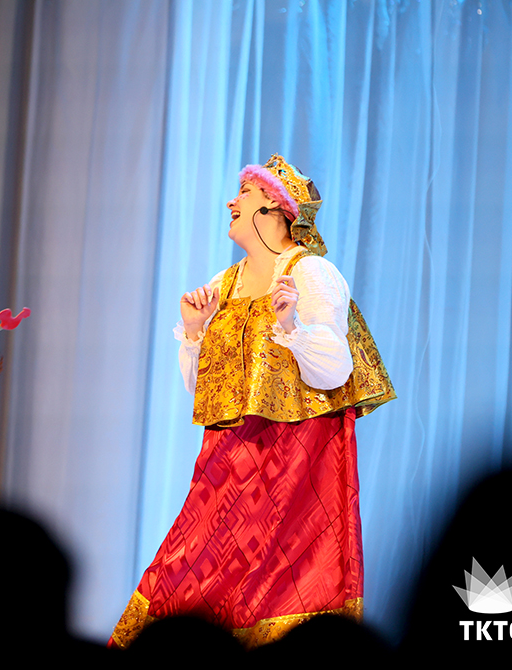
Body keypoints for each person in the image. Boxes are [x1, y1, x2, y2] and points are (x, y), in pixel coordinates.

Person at [111, 155, 395, 649]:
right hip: (227, 466)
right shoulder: (224, 284)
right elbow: (204, 389)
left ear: (275, 209)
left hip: (294, 464)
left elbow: (335, 370)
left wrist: (291, 326)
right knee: (188, 575)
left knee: (282, 587)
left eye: (244, 193)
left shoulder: (310, 273)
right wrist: (194, 332)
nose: (231, 202)